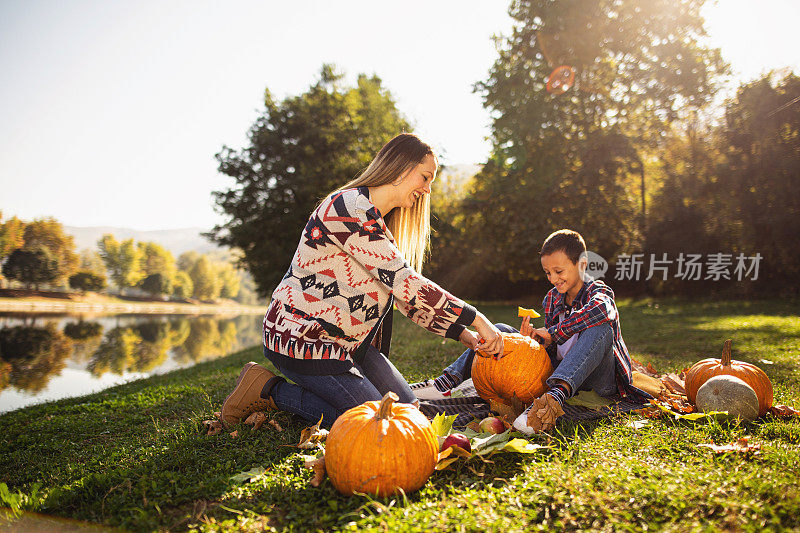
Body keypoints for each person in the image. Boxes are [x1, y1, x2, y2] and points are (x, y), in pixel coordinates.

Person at [219, 133, 504, 428]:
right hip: (304, 338)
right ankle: (270, 391)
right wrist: (477, 319)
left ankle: (329, 393)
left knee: (412, 414)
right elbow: (407, 282)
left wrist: (464, 335)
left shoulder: (377, 224)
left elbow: (405, 298)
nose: (427, 189)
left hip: (348, 345)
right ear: (402, 167)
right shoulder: (350, 208)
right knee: (382, 423)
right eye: (425, 177)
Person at [413, 229, 645, 434]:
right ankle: (444, 384)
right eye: (547, 273)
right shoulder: (553, 298)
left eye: (559, 271)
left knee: (600, 328)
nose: (553, 279)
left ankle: (548, 405)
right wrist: (534, 342)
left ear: (582, 264)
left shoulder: (598, 291)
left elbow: (602, 311)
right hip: (562, 376)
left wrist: (554, 332)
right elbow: (557, 348)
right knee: (500, 331)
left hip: (598, 384)